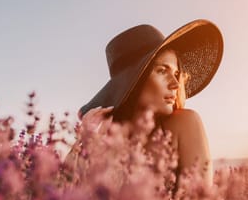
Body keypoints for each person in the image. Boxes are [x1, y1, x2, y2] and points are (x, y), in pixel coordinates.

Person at [67, 19, 224, 187]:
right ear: (134, 80)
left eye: (176, 73)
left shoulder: (184, 123)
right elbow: (60, 196)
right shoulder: (108, 140)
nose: (176, 83)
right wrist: (85, 141)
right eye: (162, 71)